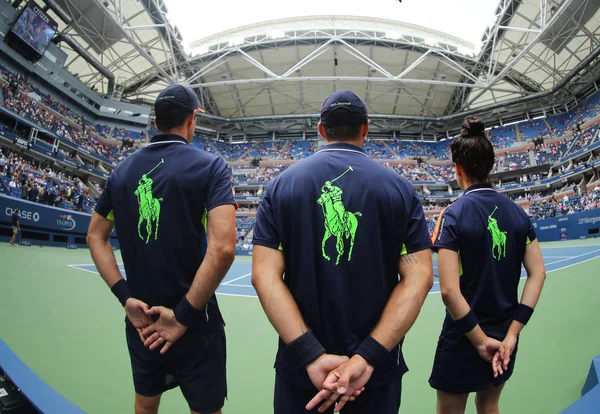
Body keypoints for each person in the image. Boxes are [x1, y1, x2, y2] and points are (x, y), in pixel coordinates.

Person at [251, 90, 434, 414]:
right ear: (365, 128)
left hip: (302, 372)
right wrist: (369, 357)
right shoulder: (400, 189)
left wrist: (310, 354)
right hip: (374, 373)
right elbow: (418, 276)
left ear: (322, 130)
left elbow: (264, 275)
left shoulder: (281, 186)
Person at [87, 84, 237, 414]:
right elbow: (224, 247)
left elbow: (95, 236)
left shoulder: (121, 172)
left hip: (141, 320)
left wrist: (125, 297)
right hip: (196, 320)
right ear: (192, 118)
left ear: (155, 122)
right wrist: (182, 315)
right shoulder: (210, 167)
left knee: (145, 403)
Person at [429, 116, 547, 414]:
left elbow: (449, 291)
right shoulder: (518, 214)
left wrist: (480, 341)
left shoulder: (453, 215)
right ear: (491, 167)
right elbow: (538, 274)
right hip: (505, 333)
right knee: (490, 404)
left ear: (458, 170)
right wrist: (512, 334)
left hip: (464, 336)